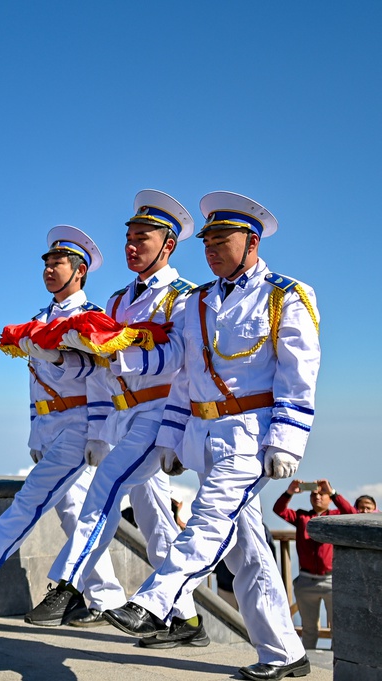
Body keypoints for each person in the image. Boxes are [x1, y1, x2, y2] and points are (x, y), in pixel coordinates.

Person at [103, 191, 321, 681]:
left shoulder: (285, 294)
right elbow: (183, 374)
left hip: (253, 436)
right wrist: (120, 357)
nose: (212, 249)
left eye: (223, 240)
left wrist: (287, 440)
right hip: (205, 434)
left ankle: (155, 601)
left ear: (253, 242)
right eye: (208, 241)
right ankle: (284, 653)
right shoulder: (197, 299)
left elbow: (298, 373)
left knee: (210, 518)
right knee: (248, 549)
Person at [27, 190, 202, 648]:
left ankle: (66, 588)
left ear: (167, 245)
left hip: (163, 412)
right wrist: (101, 428)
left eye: (141, 238)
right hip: (128, 417)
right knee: (156, 521)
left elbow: (181, 360)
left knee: (109, 492)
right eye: (128, 237)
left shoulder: (184, 298)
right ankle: (185, 617)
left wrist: (121, 359)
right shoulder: (118, 300)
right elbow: (102, 375)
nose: (130, 245)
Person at [0, 226, 125, 626]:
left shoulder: (92, 319)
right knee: (73, 511)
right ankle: (104, 597)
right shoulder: (40, 319)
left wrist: (98, 433)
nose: (50, 268)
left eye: (59, 263)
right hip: (51, 424)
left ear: (80, 272)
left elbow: (100, 377)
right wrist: (36, 431)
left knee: (31, 498)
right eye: (48, 262)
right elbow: (33, 382)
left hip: (79, 422)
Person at [274, 478, 356, 649]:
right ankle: (307, 663)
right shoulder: (302, 516)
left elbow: (352, 513)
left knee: (337, 628)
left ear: (328, 498)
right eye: (313, 494)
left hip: (331, 580)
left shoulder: (335, 517)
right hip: (306, 580)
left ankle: (335, 667)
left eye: (321, 494)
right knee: (309, 629)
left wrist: (333, 493)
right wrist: (289, 492)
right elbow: (279, 510)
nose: (317, 497)